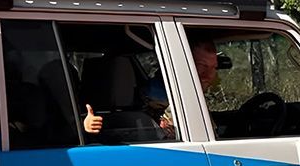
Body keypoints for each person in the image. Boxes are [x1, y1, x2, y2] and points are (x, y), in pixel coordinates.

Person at [81, 37, 222, 140]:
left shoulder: (186, 96)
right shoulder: (153, 103)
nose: (209, 75)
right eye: (202, 66)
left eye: (214, 67)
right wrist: (85, 128)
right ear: (180, 63)